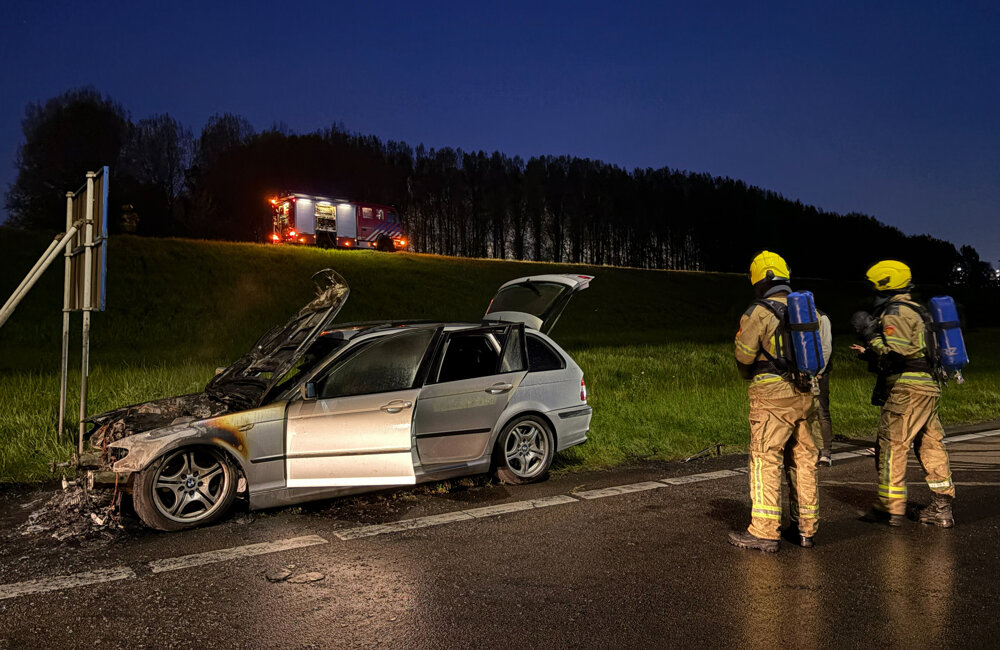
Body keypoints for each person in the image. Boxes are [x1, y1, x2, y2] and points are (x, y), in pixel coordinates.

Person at [850, 260, 955, 527]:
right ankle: (942, 507)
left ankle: (889, 507)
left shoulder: (896, 311)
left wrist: (870, 335)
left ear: (885, 283)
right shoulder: (919, 310)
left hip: (907, 388)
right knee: (930, 443)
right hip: (929, 386)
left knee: (891, 444)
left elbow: (896, 351)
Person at [730, 250, 822, 552]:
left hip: (773, 398)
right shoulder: (809, 311)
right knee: (804, 461)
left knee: (765, 459)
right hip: (808, 393)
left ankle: (765, 532)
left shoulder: (759, 312)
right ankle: (805, 529)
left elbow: (744, 355)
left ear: (761, 281)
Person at [816, 310, 834, 466]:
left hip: (819, 374)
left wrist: (819, 371)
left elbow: (826, 347)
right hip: (801, 373)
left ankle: (826, 452)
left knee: (822, 412)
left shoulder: (822, 317)